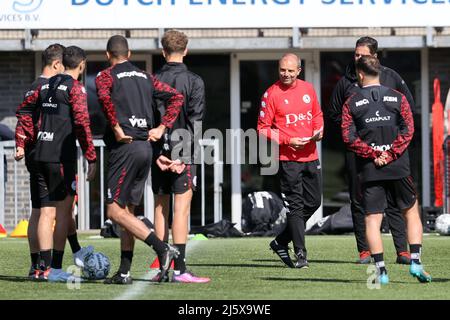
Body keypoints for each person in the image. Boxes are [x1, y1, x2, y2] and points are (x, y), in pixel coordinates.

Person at [96, 35, 184, 285]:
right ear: (130, 53)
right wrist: (162, 127)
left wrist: (114, 126)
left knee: (114, 210)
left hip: (125, 148)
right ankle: (124, 272)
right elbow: (176, 97)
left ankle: (162, 247)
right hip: (145, 148)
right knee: (128, 213)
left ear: (107, 55)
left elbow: (103, 98)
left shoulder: (106, 76)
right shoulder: (145, 76)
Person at [342, 56, 431, 284]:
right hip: (399, 167)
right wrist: (390, 154)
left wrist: (374, 154)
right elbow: (408, 130)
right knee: (411, 212)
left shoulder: (351, 103)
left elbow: (348, 137)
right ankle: (416, 263)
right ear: (378, 73)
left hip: (371, 170)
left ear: (360, 75)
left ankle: (381, 272)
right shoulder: (398, 98)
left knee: (372, 219)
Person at [328, 36, 413, 265]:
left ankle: (402, 251)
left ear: (374, 56)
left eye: (362, 55)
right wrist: (358, 136)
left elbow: (408, 111)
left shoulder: (392, 77)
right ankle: (365, 252)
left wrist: (389, 145)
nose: (357, 58)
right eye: (355, 54)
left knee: (395, 202)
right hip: (358, 152)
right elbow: (335, 114)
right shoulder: (346, 81)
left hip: (392, 151)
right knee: (359, 202)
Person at [18, 46, 97, 282]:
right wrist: (91, 156)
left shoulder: (43, 85)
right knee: (62, 213)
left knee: (44, 212)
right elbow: (82, 124)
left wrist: (25, 140)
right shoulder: (76, 88)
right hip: (60, 159)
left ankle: (41, 268)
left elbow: (24, 110)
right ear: (81, 65)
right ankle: (56, 267)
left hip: (39, 154)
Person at [151, 30, 210, 283]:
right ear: (185, 50)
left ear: (163, 51)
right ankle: (180, 269)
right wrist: (184, 157)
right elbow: (196, 121)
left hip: (158, 152)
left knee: (160, 208)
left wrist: (157, 153)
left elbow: (151, 120)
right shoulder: (194, 81)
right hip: (183, 151)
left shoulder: (152, 80)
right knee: (181, 210)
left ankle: (162, 267)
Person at [257, 53, 323, 269]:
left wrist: (318, 130)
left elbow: (317, 115)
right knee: (295, 207)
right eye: (282, 70)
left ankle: (280, 241)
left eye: (290, 71)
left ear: (299, 71)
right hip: (288, 160)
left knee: (313, 202)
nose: (286, 74)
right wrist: (287, 140)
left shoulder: (308, 89)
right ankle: (301, 254)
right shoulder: (271, 94)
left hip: (311, 156)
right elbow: (262, 128)